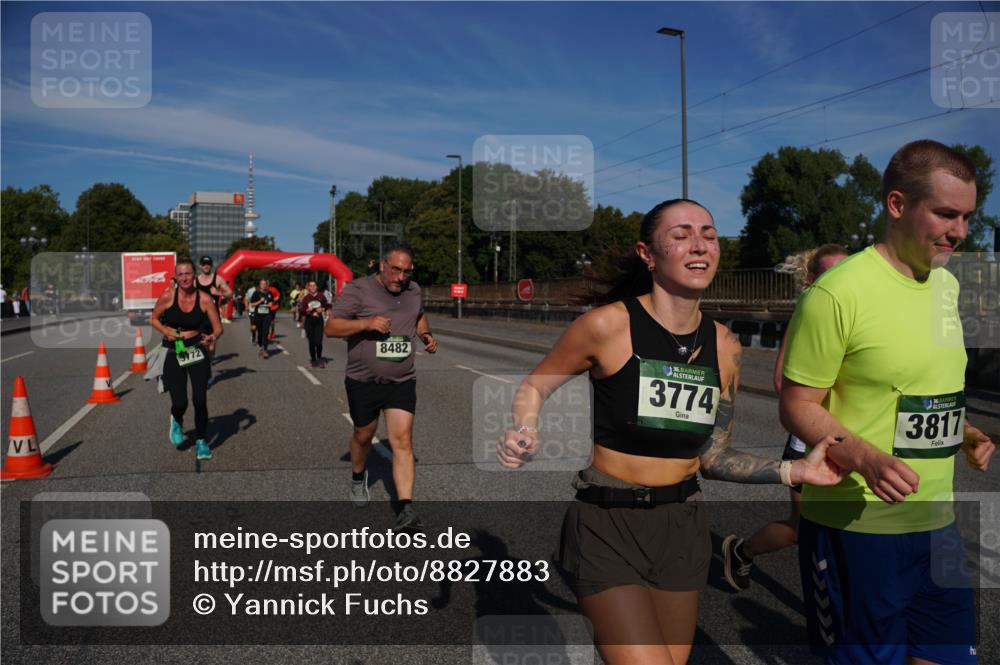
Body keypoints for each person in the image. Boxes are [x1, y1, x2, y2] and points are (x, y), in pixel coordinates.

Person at [496, 199, 845, 665]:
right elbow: (536, 386)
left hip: (683, 527)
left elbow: (713, 456)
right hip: (607, 523)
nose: (699, 245)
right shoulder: (607, 326)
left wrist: (796, 469)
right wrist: (525, 428)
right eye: (681, 235)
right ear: (647, 252)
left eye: (709, 234)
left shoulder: (725, 346)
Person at [780, 140, 995, 665]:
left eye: (967, 216)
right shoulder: (837, 293)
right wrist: (864, 456)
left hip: (938, 524)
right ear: (897, 205)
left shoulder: (947, 288)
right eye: (945, 214)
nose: (959, 232)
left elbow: (923, 387)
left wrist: (963, 431)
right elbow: (797, 404)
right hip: (859, 525)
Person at [721, 243, 849, 591]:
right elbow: (781, 382)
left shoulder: (859, 312)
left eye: (845, 269)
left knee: (853, 529)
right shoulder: (808, 315)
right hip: (809, 443)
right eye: (828, 272)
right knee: (804, 527)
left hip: (853, 440)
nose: (839, 278)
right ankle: (742, 551)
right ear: (812, 278)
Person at [326, 242, 438, 532]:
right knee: (364, 435)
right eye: (396, 270)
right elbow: (332, 326)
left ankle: (405, 508)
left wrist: (425, 334)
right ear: (382, 265)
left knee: (402, 441)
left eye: (406, 271)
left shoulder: (412, 290)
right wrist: (365, 324)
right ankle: (357, 476)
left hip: (402, 380)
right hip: (363, 380)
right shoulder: (358, 290)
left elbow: (418, 314)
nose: (401, 277)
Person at [150, 257, 223, 461]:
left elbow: (218, 327)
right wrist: (166, 330)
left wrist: (212, 337)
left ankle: (201, 441)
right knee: (180, 401)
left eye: (188, 273)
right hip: (174, 350)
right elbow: (153, 318)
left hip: (196, 349)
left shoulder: (205, 299)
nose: (184, 278)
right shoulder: (168, 296)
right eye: (180, 274)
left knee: (200, 399)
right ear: (176, 277)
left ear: (194, 275)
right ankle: (176, 418)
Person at [298, 280, 330, 368]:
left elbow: (327, 305)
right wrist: (307, 310)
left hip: (319, 320)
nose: (312, 287)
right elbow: (302, 311)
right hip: (309, 321)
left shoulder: (321, 296)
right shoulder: (306, 298)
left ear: (317, 287)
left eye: (314, 286)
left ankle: (319, 358)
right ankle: (313, 359)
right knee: (311, 342)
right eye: (310, 286)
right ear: (308, 287)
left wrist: (322, 309)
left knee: (318, 342)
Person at [248, 279, 275, 358]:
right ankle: (260, 346)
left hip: (267, 315)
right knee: (260, 332)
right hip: (258, 316)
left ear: (267, 285)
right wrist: (260, 301)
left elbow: (272, 302)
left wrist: (270, 304)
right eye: (262, 284)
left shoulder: (269, 293)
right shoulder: (256, 293)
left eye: (265, 284)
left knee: (266, 333)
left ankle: (265, 350)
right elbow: (252, 304)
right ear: (259, 285)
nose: (263, 285)